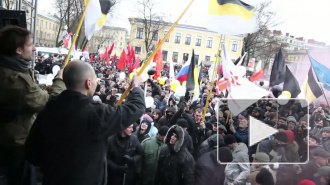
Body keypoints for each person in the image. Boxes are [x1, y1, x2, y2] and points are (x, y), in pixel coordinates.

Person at [25, 61, 146, 185]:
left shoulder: (48, 110)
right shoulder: (96, 114)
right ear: (88, 83)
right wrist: (136, 87)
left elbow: (32, 153)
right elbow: (137, 107)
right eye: (95, 80)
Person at [0, 25, 66, 185]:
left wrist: (41, 89)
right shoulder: (18, 82)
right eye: (30, 44)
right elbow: (51, 102)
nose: (35, 48)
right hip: (17, 146)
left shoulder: (7, 70)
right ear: (18, 50)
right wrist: (59, 80)